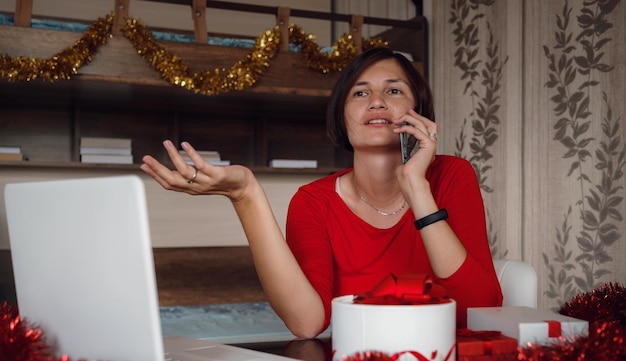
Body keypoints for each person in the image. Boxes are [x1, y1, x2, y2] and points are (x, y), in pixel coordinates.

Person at [140, 47, 503, 339]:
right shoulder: (313, 202)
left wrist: (418, 188)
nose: (376, 101)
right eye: (360, 93)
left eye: (393, 90)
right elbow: (306, 324)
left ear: (418, 114)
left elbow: (479, 307)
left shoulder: (453, 175)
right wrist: (246, 194)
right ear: (341, 116)